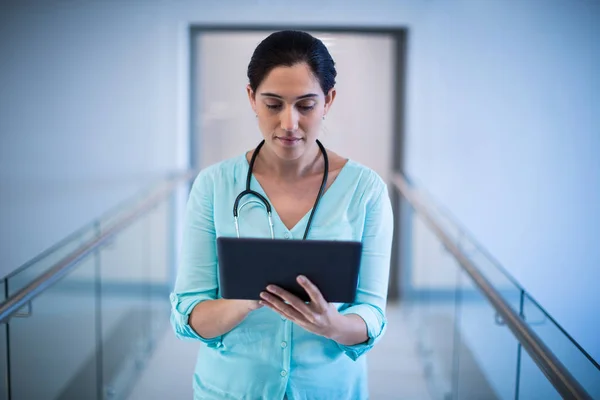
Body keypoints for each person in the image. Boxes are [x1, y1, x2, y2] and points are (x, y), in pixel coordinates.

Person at [170, 30, 394, 400]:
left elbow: (371, 314)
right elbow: (189, 313)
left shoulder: (365, 191)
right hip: (232, 390)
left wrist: (332, 324)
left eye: (305, 105)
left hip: (328, 389)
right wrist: (244, 299)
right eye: (273, 104)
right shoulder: (213, 186)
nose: (289, 123)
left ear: (328, 101)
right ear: (251, 99)